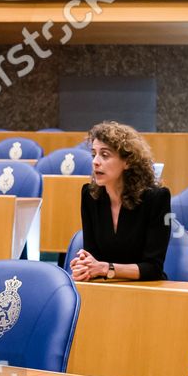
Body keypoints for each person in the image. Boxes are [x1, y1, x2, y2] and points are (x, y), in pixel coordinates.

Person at [71, 121, 172, 283]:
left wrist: (106, 268)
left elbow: (153, 268)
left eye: (105, 155)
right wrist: (84, 268)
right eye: (93, 154)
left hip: (147, 289)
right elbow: (92, 256)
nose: (95, 161)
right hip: (106, 287)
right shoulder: (89, 195)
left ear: (128, 162)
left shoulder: (157, 198)